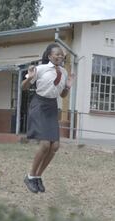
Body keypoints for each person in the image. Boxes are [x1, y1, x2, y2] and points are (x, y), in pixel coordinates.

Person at [21, 43, 75, 193]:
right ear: (49, 56)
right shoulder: (40, 69)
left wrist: (68, 87)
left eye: (61, 54)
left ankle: (38, 177)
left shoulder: (64, 72)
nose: (59, 56)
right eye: (56, 54)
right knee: (45, 144)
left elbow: (62, 95)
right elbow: (23, 87)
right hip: (39, 104)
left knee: (55, 146)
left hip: (52, 106)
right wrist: (29, 78)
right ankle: (30, 176)